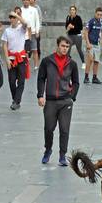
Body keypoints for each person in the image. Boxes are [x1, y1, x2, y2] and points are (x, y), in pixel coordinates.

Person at [37, 36, 80, 166]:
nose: (65, 49)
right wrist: (40, 95)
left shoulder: (72, 64)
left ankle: (62, 155)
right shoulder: (47, 61)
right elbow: (41, 79)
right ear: (57, 45)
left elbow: (76, 82)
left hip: (65, 101)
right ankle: (48, 150)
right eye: (62, 46)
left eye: (67, 47)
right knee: (49, 128)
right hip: (50, 101)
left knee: (64, 129)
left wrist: (71, 96)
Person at [2, 11, 31, 110]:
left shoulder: (21, 29)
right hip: (11, 59)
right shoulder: (7, 31)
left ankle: (16, 101)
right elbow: (5, 45)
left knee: (21, 81)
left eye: (14, 18)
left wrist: (17, 15)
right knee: (11, 81)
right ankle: (15, 99)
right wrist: (6, 59)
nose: (12, 19)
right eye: (11, 18)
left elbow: (26, 24)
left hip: (21, 58)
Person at [82, 7, 102, 85]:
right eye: (98, 14)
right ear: (95, 13)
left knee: (96, 61)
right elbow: (86, 32)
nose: (99, 16)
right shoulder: (91, 21)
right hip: (91, 44)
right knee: (90, 60)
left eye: (100, 15)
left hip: (97, 44)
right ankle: (86, 77)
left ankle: (94, 78)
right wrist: (88, 43)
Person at [20, 0, 41, 70]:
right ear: (22, 1)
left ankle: (36, 65)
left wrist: (37, 31)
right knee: (24, 51)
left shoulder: (34, 10)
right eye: (24, 0)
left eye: (27, 0)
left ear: (29, 1)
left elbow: (37, 21)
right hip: (23, 34)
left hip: (33, 33)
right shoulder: (20, 10)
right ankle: (24, 65)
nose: (25, 1)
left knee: (35, 50)